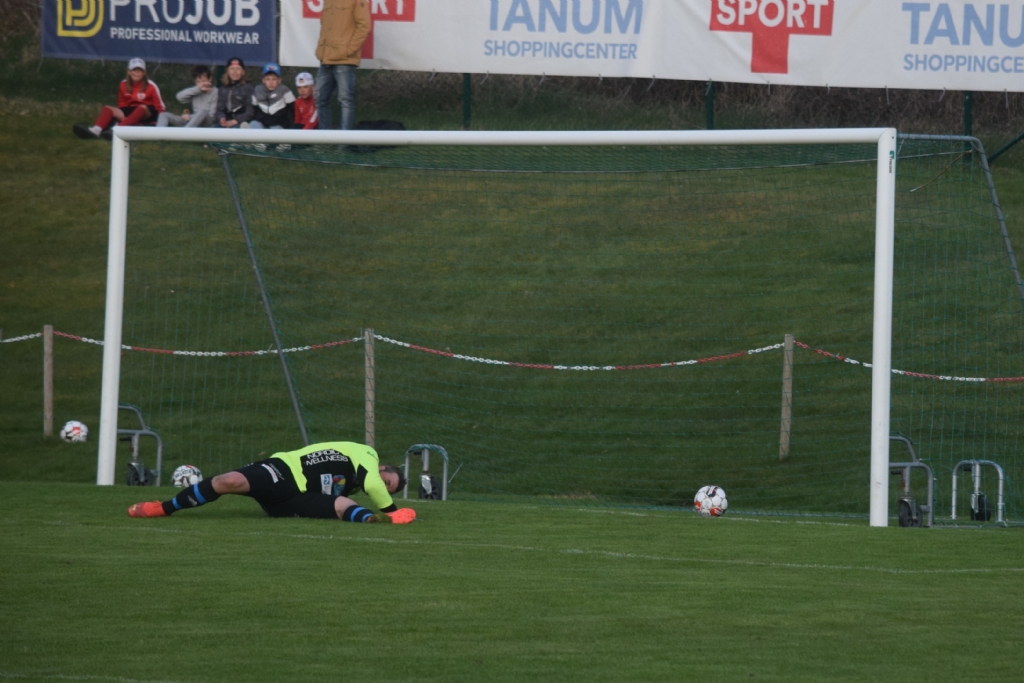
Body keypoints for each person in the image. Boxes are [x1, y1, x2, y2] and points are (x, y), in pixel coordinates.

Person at [128, 441, 417, 524]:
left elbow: (369, 487)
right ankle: (163, 508)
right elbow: (374, 484)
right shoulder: (367, 454)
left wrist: (386, 515)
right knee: (228, 481)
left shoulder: (356, 483)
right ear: (381, 467)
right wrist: (392, 510)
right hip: (284, 470)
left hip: (293, 500)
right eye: (387, 480)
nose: (383, 486)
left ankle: (372, 521)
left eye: (389, 488)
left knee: (344, 504)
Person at [72, 58, 165, 139]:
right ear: (129, 72)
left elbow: (160, 107)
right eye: (134, 70)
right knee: (108, 108)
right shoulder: (123, 84)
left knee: (142, 107)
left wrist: (159, 123)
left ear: (144, 73)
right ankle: (96, 130)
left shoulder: (151, 85)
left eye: (140, 70)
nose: (137, 73)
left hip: (148, 113)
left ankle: (116, 130)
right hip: (130, 112)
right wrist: (125, 118)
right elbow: (122, 105)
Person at [315, 0, 371, 130]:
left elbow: (364, 26)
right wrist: (321, 50)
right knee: (319, 98)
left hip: (345, 60)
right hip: (326, 58)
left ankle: (344, 140)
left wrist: (348, 50)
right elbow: (324, 24)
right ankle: (324, 138)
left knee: (345, 100)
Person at [249, 63, 296, 130]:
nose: (271, 82)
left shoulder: (285, 90)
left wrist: (292, 126)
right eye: (268, 79)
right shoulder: (257, 90)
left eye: (274, 79)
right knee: (253, 124)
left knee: (276, 130)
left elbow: (293, 109)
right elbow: (254, 108)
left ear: (279, 80)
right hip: (262, 123)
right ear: (263, 80)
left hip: (278, 124)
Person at [214, 57, 255, 129]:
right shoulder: (222, 89)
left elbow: (250, 112)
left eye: (238, 69)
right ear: (227, 71)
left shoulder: (248, 88)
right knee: (212, 130)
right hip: (226, 121)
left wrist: (235, 121)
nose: (235, 72)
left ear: (243, 72)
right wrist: (222, 119)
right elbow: (219, 110)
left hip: (240, 122)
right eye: (232, 69)